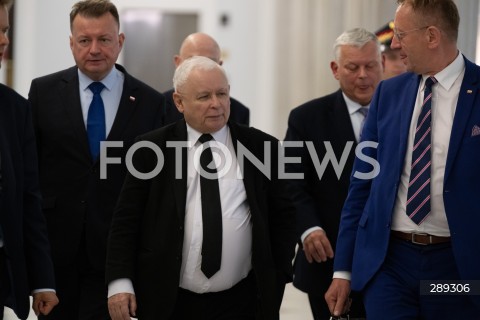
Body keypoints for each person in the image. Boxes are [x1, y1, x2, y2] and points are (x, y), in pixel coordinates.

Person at [105, 56, 296, 320]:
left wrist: (277, 275)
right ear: (179, 102)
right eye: (204, 96)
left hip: (243, 302)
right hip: (169, 302)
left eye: (222, 94)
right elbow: (126, 221)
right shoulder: (150, 149)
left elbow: (284, 216)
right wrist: (119, 282)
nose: (216, 104)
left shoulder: (263, 148)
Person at [325, 0, 480, 319]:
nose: (393, 45)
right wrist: (343, 270)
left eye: (401, 34)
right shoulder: (389, 94)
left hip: (455, 270)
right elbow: (361, 185)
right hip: (390, 266)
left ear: (432, 36)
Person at [27, 0, 165, 318]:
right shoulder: (43, 92)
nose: (94, 49)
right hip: (56, 256)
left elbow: (155, 186)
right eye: (84, 40)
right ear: (71, 43)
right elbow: (31, 173)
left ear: (120, 41)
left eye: (104, 39)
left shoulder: (148, 102)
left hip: (116, 255)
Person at [284, 27, 382, 320]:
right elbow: (290, 182)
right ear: (335, 69)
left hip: (387, 260)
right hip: (327, 255)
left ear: (383, 65)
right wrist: (308, 228)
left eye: (370, 66)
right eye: (353, 67)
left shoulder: (404, 114)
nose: (362, 75)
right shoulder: (306, 118)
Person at [0, 0, 59, 319]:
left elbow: (28, 201)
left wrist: (42, 281)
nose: (4, 39)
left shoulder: (15, 109)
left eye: (6, 30)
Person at [163, 32, 250, 126]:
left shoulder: (239, 113)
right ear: (178, 62)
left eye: (210, 62)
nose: (202, 69)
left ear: (220, 65)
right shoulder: (157, 108)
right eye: (194, 61)